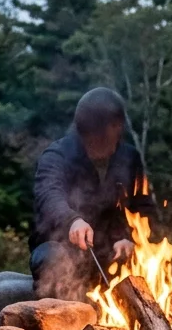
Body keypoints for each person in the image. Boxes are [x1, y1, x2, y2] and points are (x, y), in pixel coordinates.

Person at [30, 87, 156, 302]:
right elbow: (48, 194)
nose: (94, 143)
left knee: (147, 264)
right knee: (52, 258)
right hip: (62, 251)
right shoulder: (57, 155)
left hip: (112, 255)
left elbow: (143, 207)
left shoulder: (129, 158)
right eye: (89, 137)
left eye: (101, 136)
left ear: (117, 127)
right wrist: (73, 220)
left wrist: (129, 238)